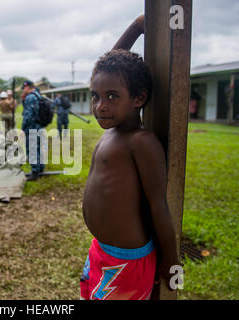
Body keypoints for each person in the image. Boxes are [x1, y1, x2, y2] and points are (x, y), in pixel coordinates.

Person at [80, 15, 180, 300]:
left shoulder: (140, 141)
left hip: (126, 262)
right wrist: (136, 29)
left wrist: (172, 261)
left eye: (112, 97)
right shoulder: (114, 130)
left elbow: (158, 205)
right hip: (100, 250)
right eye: (95, 96)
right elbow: (109, 68)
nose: (100, 106)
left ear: (139, 98)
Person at [21, 80, 45, 181]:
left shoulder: (30, 97)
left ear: (28, 87)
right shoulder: (38, 95)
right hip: (39, 126)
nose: (24, 90)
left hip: (32, 127)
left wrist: (23, 127)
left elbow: (28, 115)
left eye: (24, 88)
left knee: (32, 149)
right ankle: (40, 169)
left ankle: (35, 172)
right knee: (38, 148)